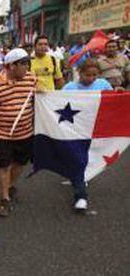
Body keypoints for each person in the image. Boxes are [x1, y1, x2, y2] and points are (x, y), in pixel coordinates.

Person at [0, 48, 38, 217]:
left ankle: (10, 185)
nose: (27, 68)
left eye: (28, 64)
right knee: (4, 166)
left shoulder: (31, 79)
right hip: (2, 135)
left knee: (20, 163)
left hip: (26, 133)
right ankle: (5, 198)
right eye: (24, 64)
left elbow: (40, 97)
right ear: (12, 66)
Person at [62, 58, 113, 210]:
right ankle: (81, 195)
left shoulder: (103, 84)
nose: (91, 79)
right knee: (79, 161)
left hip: (96, 130)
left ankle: (80, 186)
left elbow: (113, 100)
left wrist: (118, 93)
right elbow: (56, 102)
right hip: (75, 131)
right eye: (87, 75)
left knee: (84, 161)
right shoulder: (70, 87)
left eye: (94, 75)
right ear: (80, 73)